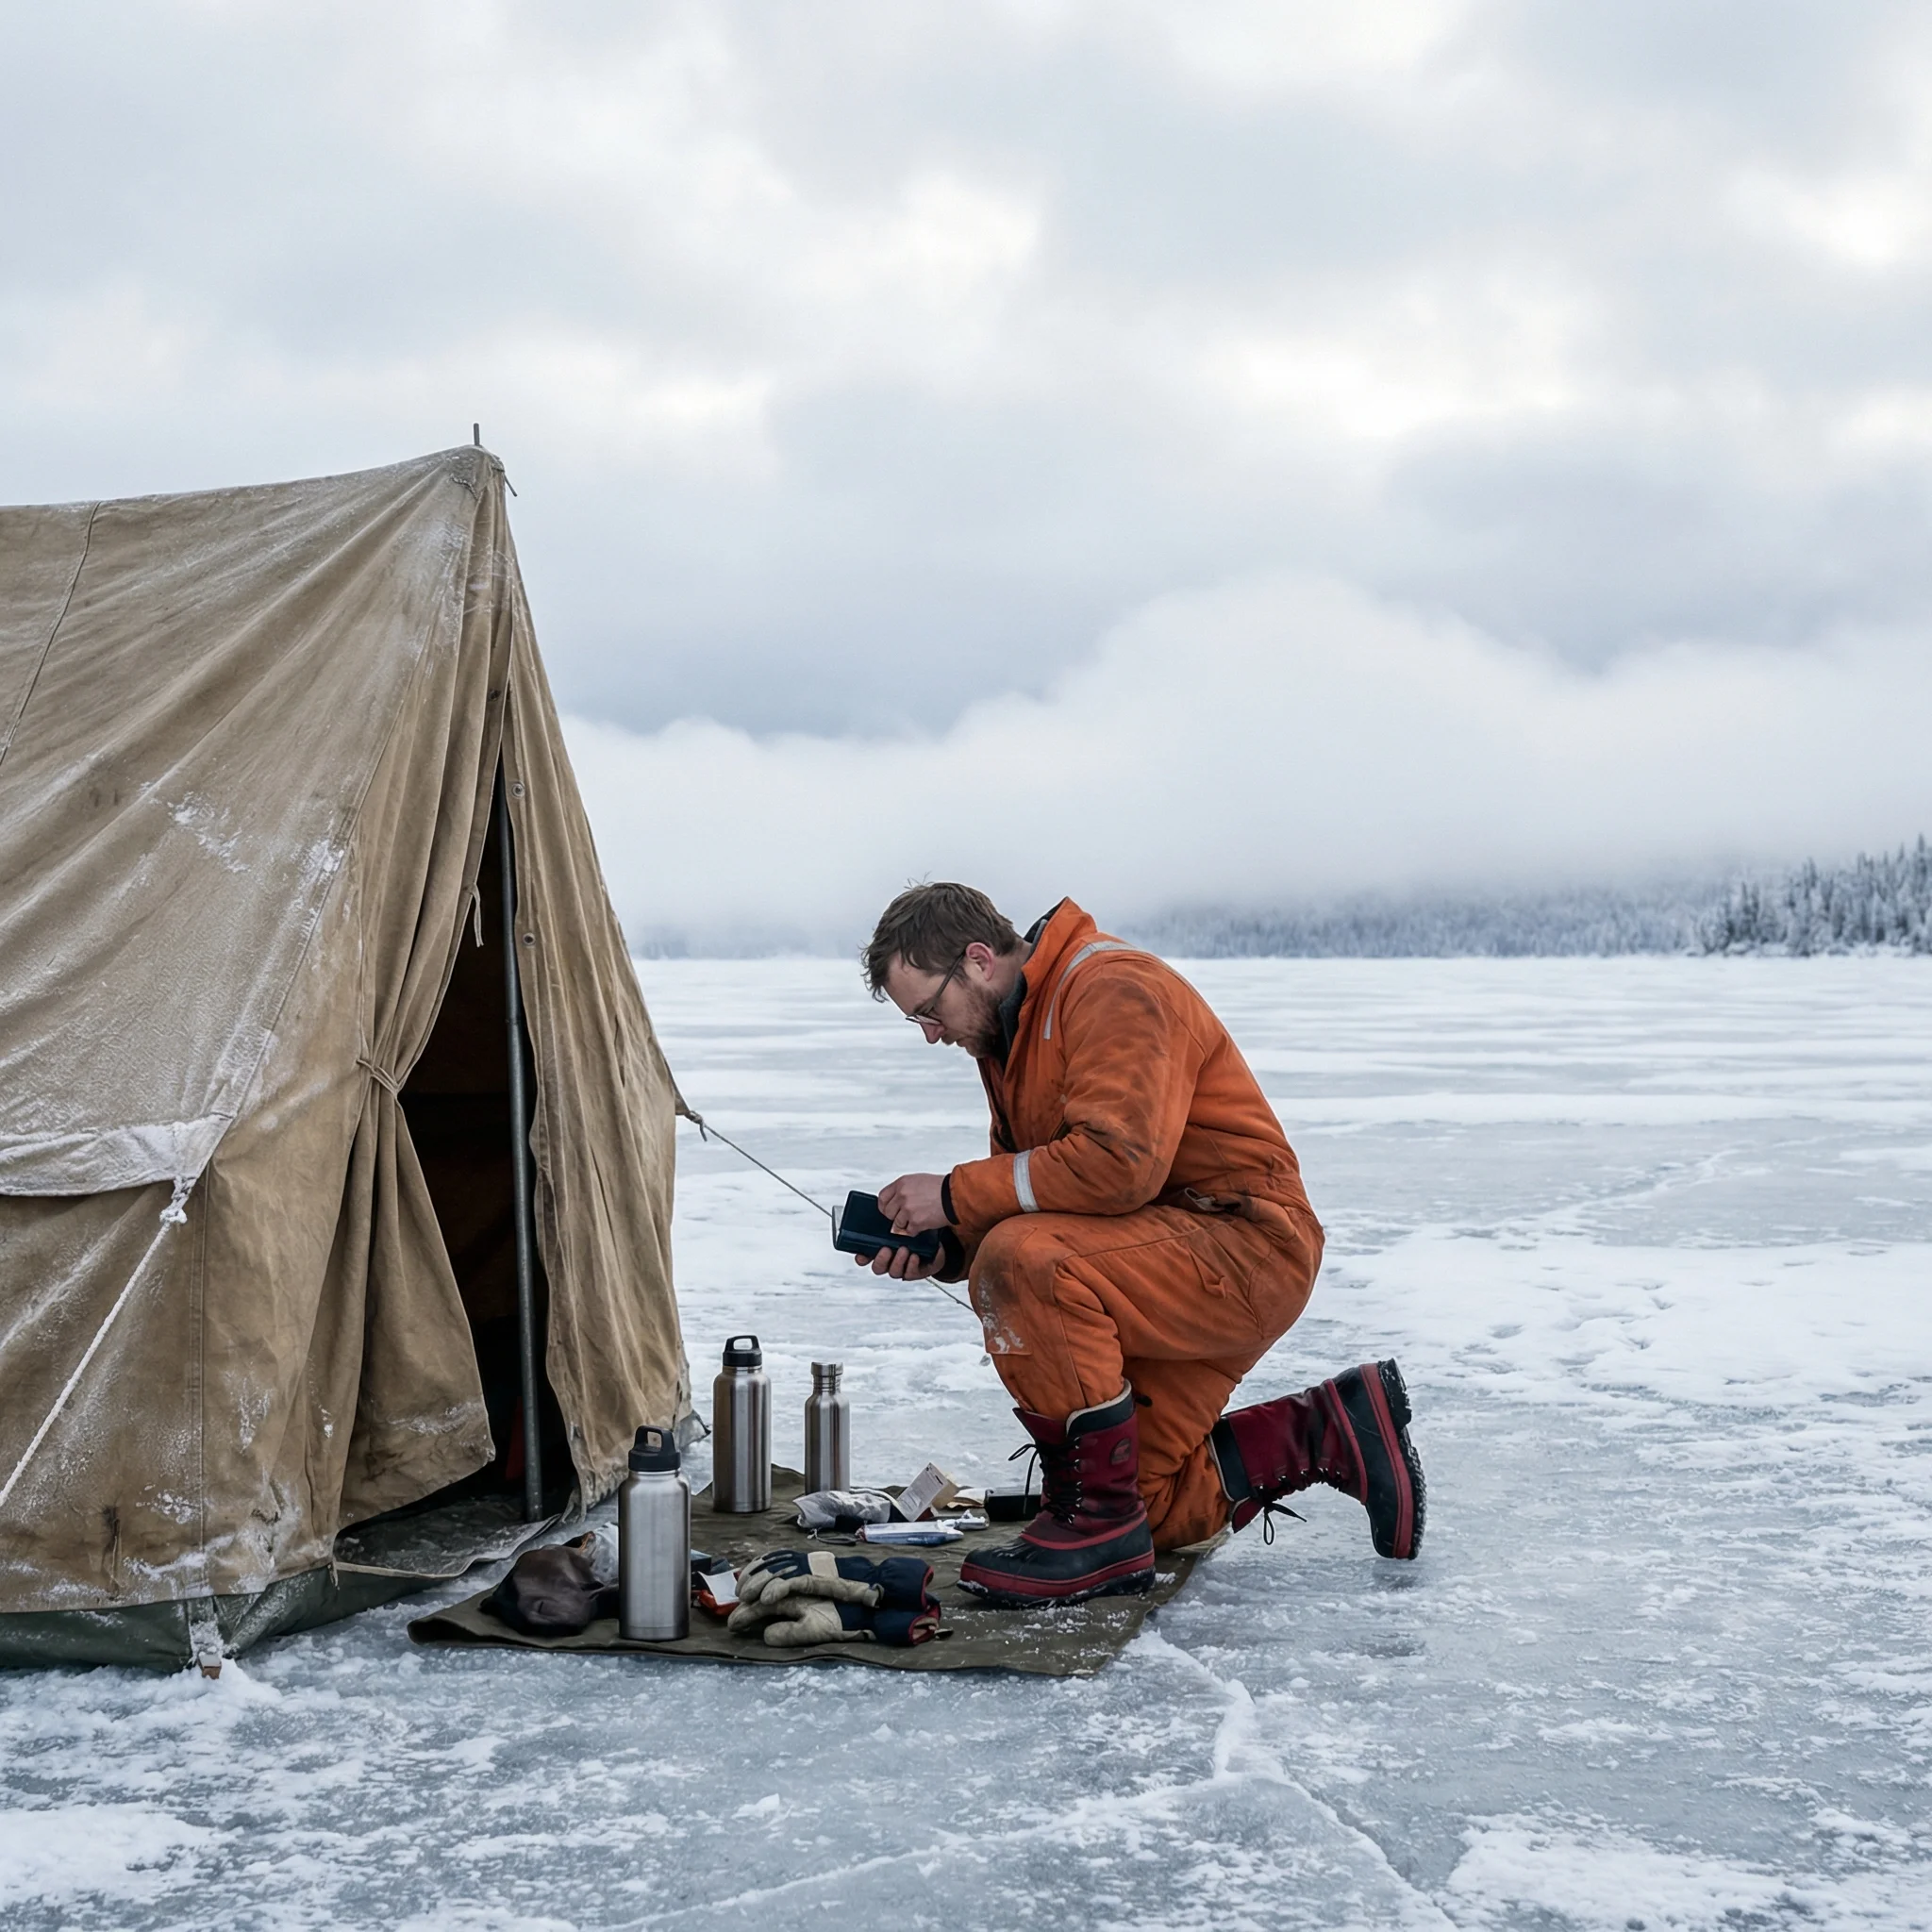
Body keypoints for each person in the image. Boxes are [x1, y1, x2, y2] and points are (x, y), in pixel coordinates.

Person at [856, 883, 1424, 1606]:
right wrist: (946, 1246)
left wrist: (954, 1195)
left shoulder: (1112, 988)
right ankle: (1327, 1429)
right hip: (1155, 1257)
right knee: (1144, 1507)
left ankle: (1095, 1528)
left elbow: (1118, 1164)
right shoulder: (1011, 1035)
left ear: (977, 960)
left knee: (1024, 1263)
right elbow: (1033, 1187)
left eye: (929, 1010)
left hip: (1244, 1247)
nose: (932, 1033)